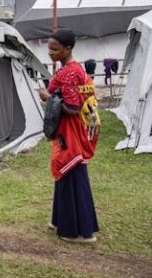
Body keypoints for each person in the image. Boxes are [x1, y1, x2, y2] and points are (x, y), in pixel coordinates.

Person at [39, 30, 100, 243]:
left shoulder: (68, 73)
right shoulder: (76, 70)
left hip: (71, 131)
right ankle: (60, 220)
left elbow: (72, 108)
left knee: (71, 174)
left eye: (55, 49)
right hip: (77, 130)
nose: (50, 52)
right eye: (49, 48)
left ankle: (78, 231)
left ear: (67, 49)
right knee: (66, 176)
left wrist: (48, 97)